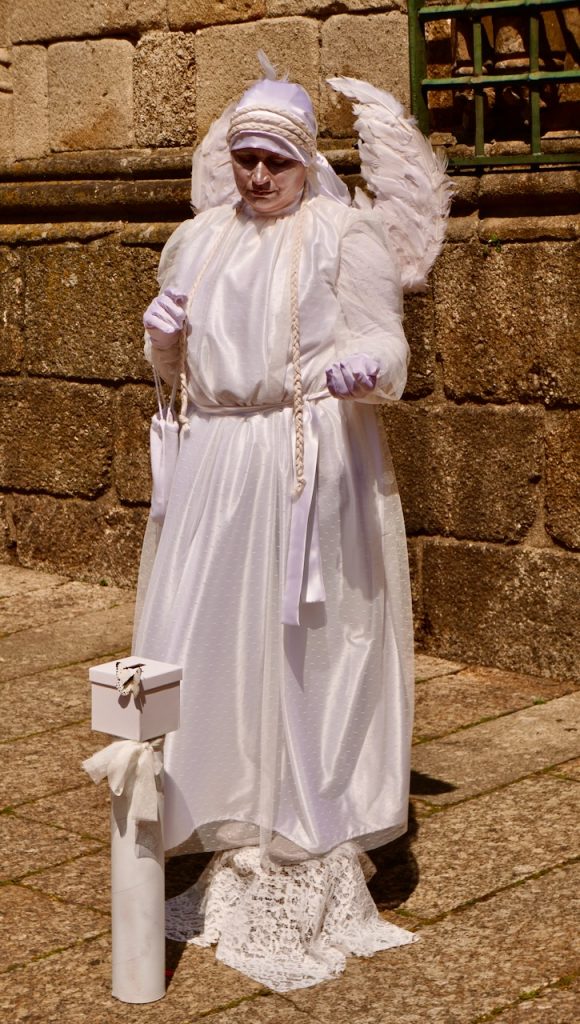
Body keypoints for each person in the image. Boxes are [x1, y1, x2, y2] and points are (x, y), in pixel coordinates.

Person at [134, 55, 449, 991]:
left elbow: (383, 336)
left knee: (311, 636)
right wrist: (160, 339)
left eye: (274, 161)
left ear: (306, 160)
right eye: (245, 161)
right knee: (218, 633)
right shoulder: (198, 242)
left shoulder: (339, 237)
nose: (258, 177)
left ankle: (313, 816)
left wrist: (363, 366)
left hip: (312, 457)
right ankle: (234, 804)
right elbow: (179, 369)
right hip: (220, 464)